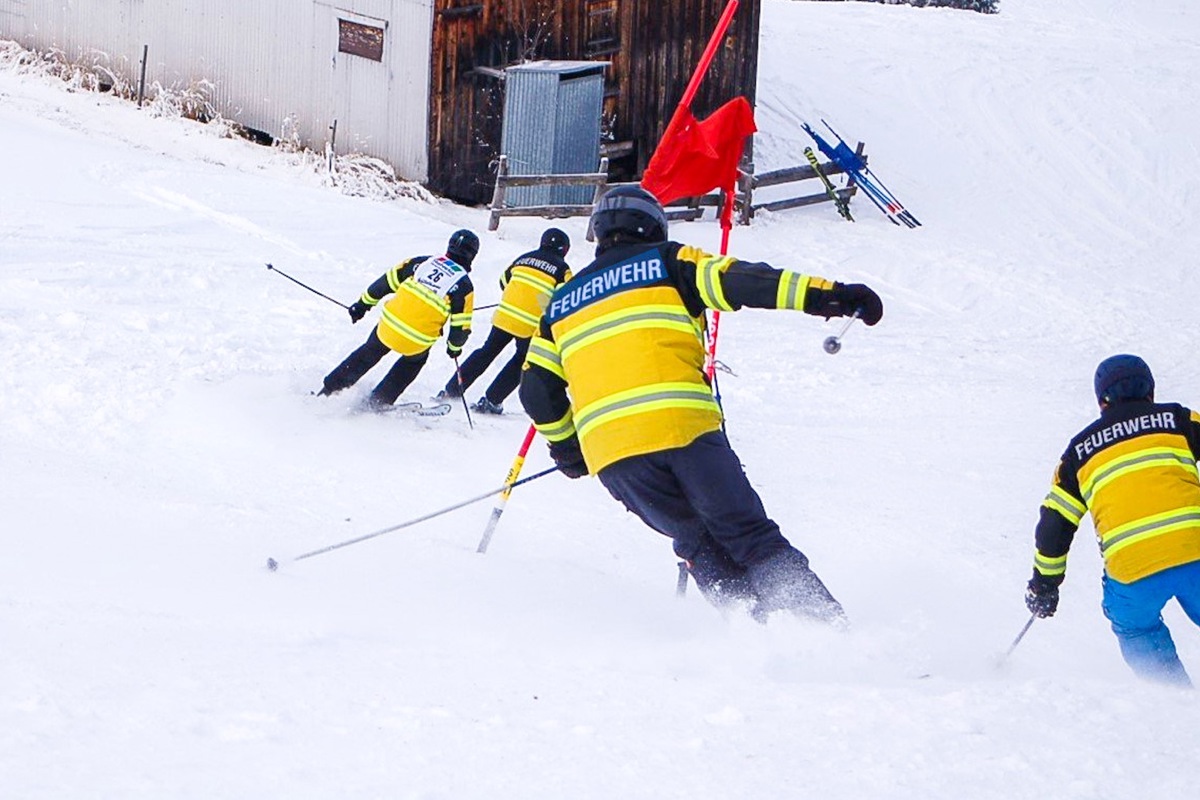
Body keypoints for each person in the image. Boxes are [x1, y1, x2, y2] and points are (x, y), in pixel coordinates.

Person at [518, 185, 883, 623]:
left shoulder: (559, 304)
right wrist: (829, 296)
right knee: (747, 534)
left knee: (697, 542)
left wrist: (569, 449)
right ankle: (823, 632)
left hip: (614, 458)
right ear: (653, 225)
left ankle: (753, 635)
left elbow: (536, 388)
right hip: (682, 430)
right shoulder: (668, 261)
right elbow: (743, 281)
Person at [1025, 354, 1200, 687]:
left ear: (1101, 401)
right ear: (1150, 390)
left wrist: (1044, 585)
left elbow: (1054, 524)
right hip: (1197, 552)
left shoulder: (1079, 452)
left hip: (1133, 571)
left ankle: (1177, 703)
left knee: (1136, 627)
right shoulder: (1179, 420)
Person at [317, 229, 478, 409]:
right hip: (417, 340)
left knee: (367, 353)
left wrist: (361, 305)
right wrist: (454, 348)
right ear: (472, 256)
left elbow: (384, 284)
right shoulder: (464, 286)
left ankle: (329, 390)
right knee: (412, 363)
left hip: (388, 327)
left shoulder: (421, 262)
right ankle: (378, 402)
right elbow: (460, 327)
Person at [439, 228, 573, 414]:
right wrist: (540, 304)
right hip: (530, 324)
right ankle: (492, 400)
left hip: (505, 316)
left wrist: (519, 296)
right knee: (521, 360)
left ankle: (451, 390)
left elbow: (504, 281)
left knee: (486, 352)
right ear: (564, 249)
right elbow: (563, 301)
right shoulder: (562, 270)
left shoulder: (523, 258)